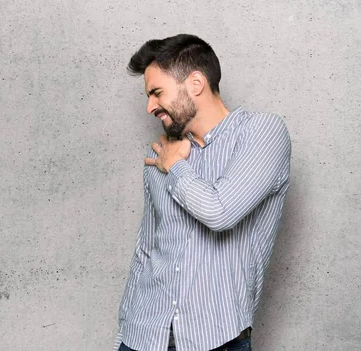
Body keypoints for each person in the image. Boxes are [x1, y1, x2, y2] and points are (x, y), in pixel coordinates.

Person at [114, 34, 291, 351]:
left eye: (156, 93)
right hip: (142, 336)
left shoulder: (262, 132)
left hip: (216, 339)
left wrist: (176, 167)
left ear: (195, 83)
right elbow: (146, 250)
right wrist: (123, 336)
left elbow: (219, 212)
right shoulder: (162, 152)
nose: (149, 107)